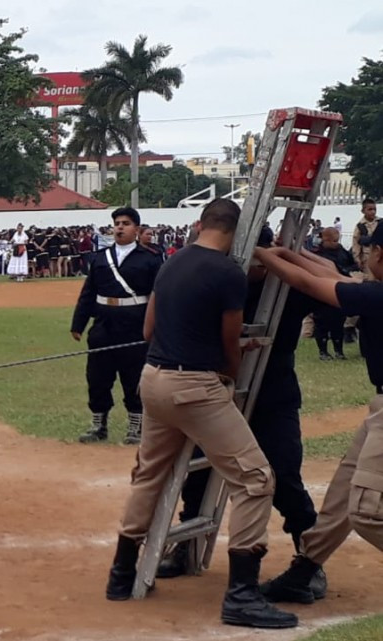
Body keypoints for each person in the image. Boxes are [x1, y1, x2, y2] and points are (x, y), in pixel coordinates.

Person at [104, 199, 296, 629]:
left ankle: (121, 574)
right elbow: (230, 343)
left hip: (153, 378)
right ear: (235, 230)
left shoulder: (170, 261)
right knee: (255, 477)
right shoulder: (229, 272)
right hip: (194, 387)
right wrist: (228, 373)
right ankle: (242, 593)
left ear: (200, 224)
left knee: (150, 473)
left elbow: (149, 330)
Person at [154, 225, 323, 600]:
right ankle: (185, 547)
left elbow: (328, 279)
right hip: (214, 391)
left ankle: (310, 560)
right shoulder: (216, 279)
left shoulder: (287, 287)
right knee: (196, 471)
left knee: (283, 475)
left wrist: (284, 254)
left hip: (273, 392)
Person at [257, 228, 383, 603]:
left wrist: (262, 256)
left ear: (378, 253)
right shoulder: (373, 292)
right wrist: (289, 251)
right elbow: (329, 271)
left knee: (368, 512)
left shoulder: (377, 295)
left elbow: (312, 284)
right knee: (343, 495)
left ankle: (305, 568)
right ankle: (304, 571)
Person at [72, 208, 162, 445]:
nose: (120, 227)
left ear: (137, 229)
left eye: (126, 223)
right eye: (117, 223)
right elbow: (88, 292)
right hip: (104, 325)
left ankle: (136, 426)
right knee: (98, 376)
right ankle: (98, 424)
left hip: (135, 324)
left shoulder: (150, 259)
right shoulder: (100, 258)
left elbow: (158, 295)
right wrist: (78, 323)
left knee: (134, 377)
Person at [312, 227, 355, 360]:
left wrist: (344, 271)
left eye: (337, 240)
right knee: (321, 322)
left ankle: (339, 351)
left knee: (338, 322)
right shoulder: (317, 254)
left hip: (340, 289)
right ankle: (323, 352)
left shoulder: (342, 251)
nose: (335, 243)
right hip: (322, 291)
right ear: (325, 240)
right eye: (333, 240)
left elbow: (353, 265)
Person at [351, 198, 378, 280]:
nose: (373, 212)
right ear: (363, 211)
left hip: (380, 256)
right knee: (371, 279)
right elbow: (356, 243)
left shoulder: (380, 222)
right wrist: (357, 259)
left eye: (374, 209)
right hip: (367, 258)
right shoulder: (360, 226)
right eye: (369, 209)